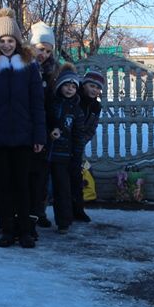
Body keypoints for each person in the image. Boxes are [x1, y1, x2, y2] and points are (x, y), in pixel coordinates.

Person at [0, 8, 46, 248]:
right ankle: (7, 230)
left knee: (22, 186)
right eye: (2, 41)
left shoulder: (29, 67)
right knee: (1, 187)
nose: (6, 45)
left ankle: (25, 230)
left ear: (18, 41)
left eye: (11, 40)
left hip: (24, 138)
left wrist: (39, 135)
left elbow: (38, 104)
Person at [46, 65, 86, 233]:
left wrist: (76, 155)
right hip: (46, 153)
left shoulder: (76, 110)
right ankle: (37, 216)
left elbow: (78, 135)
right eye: (66, 85)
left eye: (73, 86)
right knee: (43, 188)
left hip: (63, 156)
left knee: (63, 189)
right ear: (59, 86)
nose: (69, 89)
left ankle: (64, 221)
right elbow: (46, 122)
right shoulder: (51, 104)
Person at [28, 20, 58, 229]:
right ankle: (26, 212)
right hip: (24, 128)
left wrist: (53, 126)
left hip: (44, 129)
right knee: (26, 174)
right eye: (40, 49)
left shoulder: (51, 72)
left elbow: (53, 103)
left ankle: (40, 211)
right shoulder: (23, 68)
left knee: (42, 174)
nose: (44, 55)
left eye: (48, 51)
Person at [76, 69, 105, 223]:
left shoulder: (96, 107)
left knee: (77, 179)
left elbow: (91, 129)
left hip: (78, 146)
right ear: (84, 85)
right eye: (92, 86)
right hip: (62, 144)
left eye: (98, 88)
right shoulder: (75, 98)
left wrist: (82, 141)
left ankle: (78, 210)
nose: (95, 90)